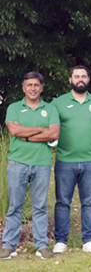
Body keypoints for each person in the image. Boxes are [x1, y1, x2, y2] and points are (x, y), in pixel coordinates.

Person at [0, 72, 60, 260]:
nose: (33, 88)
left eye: (36, 85)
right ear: (23, 88)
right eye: (29, 85)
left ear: (41, 88)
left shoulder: (50, 109)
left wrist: (25, 135)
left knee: (40, 207)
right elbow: (14, 130)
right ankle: (9, 246)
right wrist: (41, 129)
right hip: (17, 163)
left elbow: (54, 134)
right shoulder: (14, 108)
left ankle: (42, 245)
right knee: (15, 206)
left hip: (42, 164)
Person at [51, 66, 91, 254]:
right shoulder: (58, 103)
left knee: (89, 202)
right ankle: (60, 240)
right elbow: (52, 129)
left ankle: (89, 240)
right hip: (65, 160)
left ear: (88, 79)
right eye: (76, 76)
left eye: (83, 76)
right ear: (70, 80)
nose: (80, 79)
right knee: (62, 202)